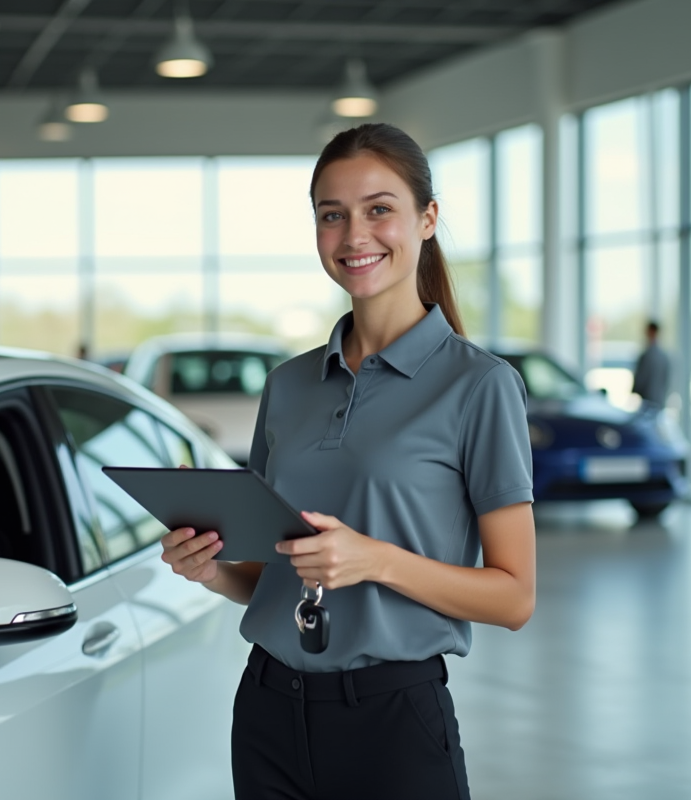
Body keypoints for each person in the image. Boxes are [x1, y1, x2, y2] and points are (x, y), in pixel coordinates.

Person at [160, 123, 536, 800]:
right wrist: (215, 569)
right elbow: (276, 576)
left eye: (379, 209)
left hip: (392, 724)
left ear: (427, 219)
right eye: (332, 215)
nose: (354, 235)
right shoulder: (289, 384)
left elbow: (514, 597)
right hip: (269, 711)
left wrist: (376, 560)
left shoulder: (479, 386)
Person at [632, 320, 670, 409]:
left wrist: (635, 390)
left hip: (648, 400)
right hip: (659, 399)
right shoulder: (664, 356)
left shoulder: (647, 355)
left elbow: (640, 378)